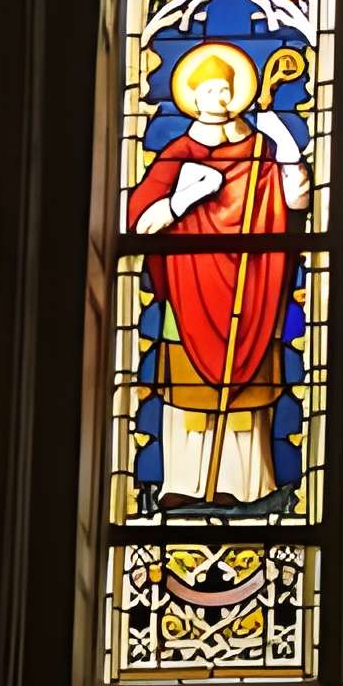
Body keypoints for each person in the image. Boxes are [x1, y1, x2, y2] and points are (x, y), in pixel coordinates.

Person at [128, 42, 309, 515]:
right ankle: (185, 484)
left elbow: (298, 203)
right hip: (189, 290)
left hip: (252, 286)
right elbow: (138, 222)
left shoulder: (259, 151)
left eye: (225, 89)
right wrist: (179, 201)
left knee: (248, 393)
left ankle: (244, 484)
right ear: (191, 97)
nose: (218, 98)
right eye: (207, 90)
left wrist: (286, 149)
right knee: (188, 393)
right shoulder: (179, 152)